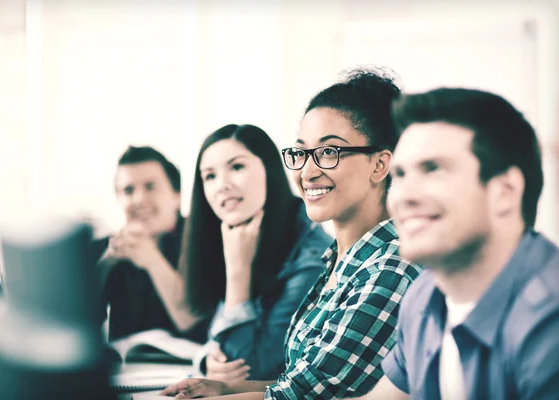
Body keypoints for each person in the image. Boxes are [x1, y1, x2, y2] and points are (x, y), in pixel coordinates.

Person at [161, 68, 423, 399]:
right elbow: (299, 381)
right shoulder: (340, 261)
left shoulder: (391, 266)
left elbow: (304, 397)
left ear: (379, 165)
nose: (307, 171)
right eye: (301, 153)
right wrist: (223, 386)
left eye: (329, 152)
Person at [351, 88, 559, 399]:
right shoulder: (424, 295)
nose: (404, 196)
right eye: (401, 174)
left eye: (433, 169)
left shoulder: (549, 321)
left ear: (505, 191)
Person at [179, 124, 332, 381]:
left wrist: (238, 273)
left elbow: (250, 370)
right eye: (210, 176)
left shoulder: (311, 258)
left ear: (269, 171)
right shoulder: (239, 234)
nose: (222, 186)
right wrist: (206, 360)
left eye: (237, 167)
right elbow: (218, 341)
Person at [92, 146, 208, 342]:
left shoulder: (203, 239)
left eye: (150, 187)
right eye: (128, 190)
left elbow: (194, 322)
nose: (139, 199)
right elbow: (76, 326)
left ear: (176, 196)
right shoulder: (108, 249)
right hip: (130, 369)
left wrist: (151, 258)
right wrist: (105, 267)